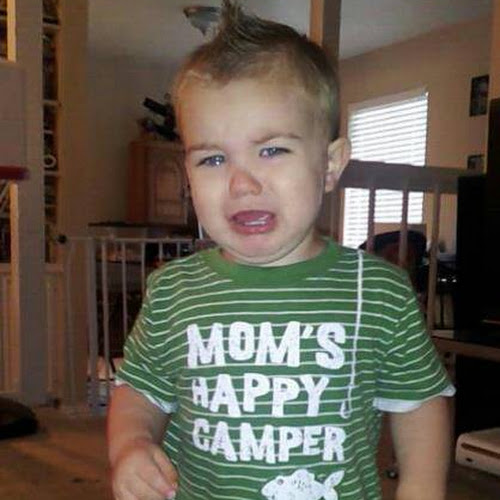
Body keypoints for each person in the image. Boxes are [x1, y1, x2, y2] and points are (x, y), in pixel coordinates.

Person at [107, 2, 455, 499]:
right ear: (187, 175)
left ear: (330, 165)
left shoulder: (378, 292)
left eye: (271, 150)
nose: (242, 183)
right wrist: (130, 444)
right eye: (213, 159)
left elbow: (418, 403)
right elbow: (139, 391)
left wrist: (421, 489)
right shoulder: (174, 291)